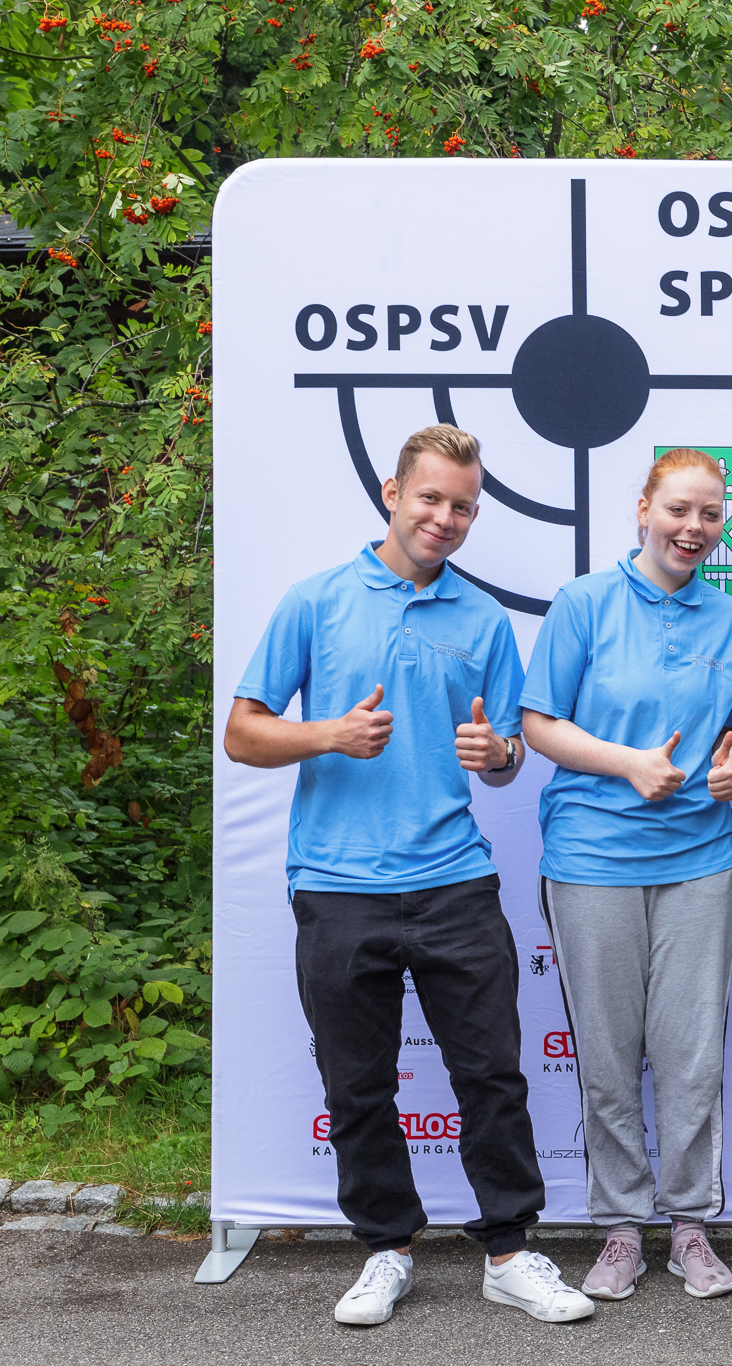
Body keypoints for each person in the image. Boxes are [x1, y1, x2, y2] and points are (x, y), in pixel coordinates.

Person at [224, 425, 594, 1327]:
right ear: (392, 494)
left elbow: (506, 754)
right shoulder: (315, 601)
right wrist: (328, 734)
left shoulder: (483, 619)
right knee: (357, 1086)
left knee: (492, 1077)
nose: (446, 518)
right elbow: (242, 733)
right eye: (431, 498)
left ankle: (509, 1252)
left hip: (455, 880)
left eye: (463, 506)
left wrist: (499, 755)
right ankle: (386, 1249)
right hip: (337, 884)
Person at [518, 448, 732, 1302]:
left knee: (691, 1058)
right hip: (591, 858)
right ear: (644, 509)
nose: (694, 527)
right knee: (609, 1057)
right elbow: (539, 723)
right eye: (678, 509)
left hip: (698, 861)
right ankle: (620, 1228)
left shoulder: (731, 621)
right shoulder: (583, 603)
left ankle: (689, 1226)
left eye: (710, 514)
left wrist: (730, 765)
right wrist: (628, 764)